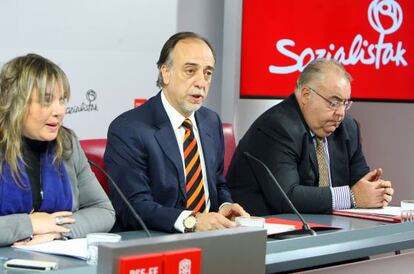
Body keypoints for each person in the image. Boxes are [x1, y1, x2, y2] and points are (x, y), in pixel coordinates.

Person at [105, 31, 249, 233]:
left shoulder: (210, 121)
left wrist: (226, 206)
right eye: (190, 71)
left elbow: (218, 183)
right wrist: (191, 222)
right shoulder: (129, 129)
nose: (201, 82)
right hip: (157, 240)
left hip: (213, 237)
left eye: (208, 73)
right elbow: (133, 206)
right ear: (165, 73)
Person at [226, 58, 394, 216]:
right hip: (265, 233)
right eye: (334, 103)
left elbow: (359, 182)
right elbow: (288, 196)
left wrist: (375, 191)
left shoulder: (347, 128)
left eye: (345, 103)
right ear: (306, 95)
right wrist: (352, 197)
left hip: (323, 228)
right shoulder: (277, 126)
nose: (341, 113)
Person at [0, 54, 115, 246]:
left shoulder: (67, 143)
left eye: (62, 100)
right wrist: (29, 224)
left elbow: (103, 210)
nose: (59, 111)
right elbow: (33, 225)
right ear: (15, 102)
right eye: (46, 101)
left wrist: (58, 230)